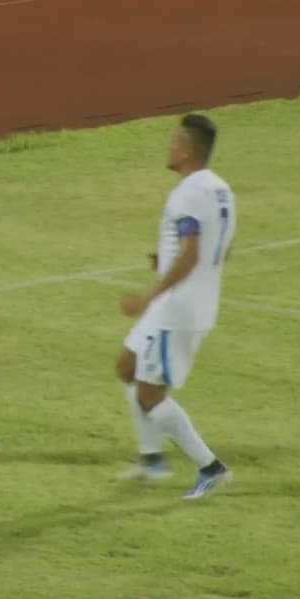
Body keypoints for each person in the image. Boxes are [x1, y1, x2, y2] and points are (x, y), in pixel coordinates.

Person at [115, 113, 236, 499]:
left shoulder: (187, 193)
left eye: (174, 141)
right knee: (127, 365)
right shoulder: (221, 190)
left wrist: (148, 296)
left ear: (186, 150)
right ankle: (152, 461)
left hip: (176, 308)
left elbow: (191, 253)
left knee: (150, 394)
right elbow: (221, 249)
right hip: (190, 302)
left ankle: (211, 468)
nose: (169, 147)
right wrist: (166, 261)